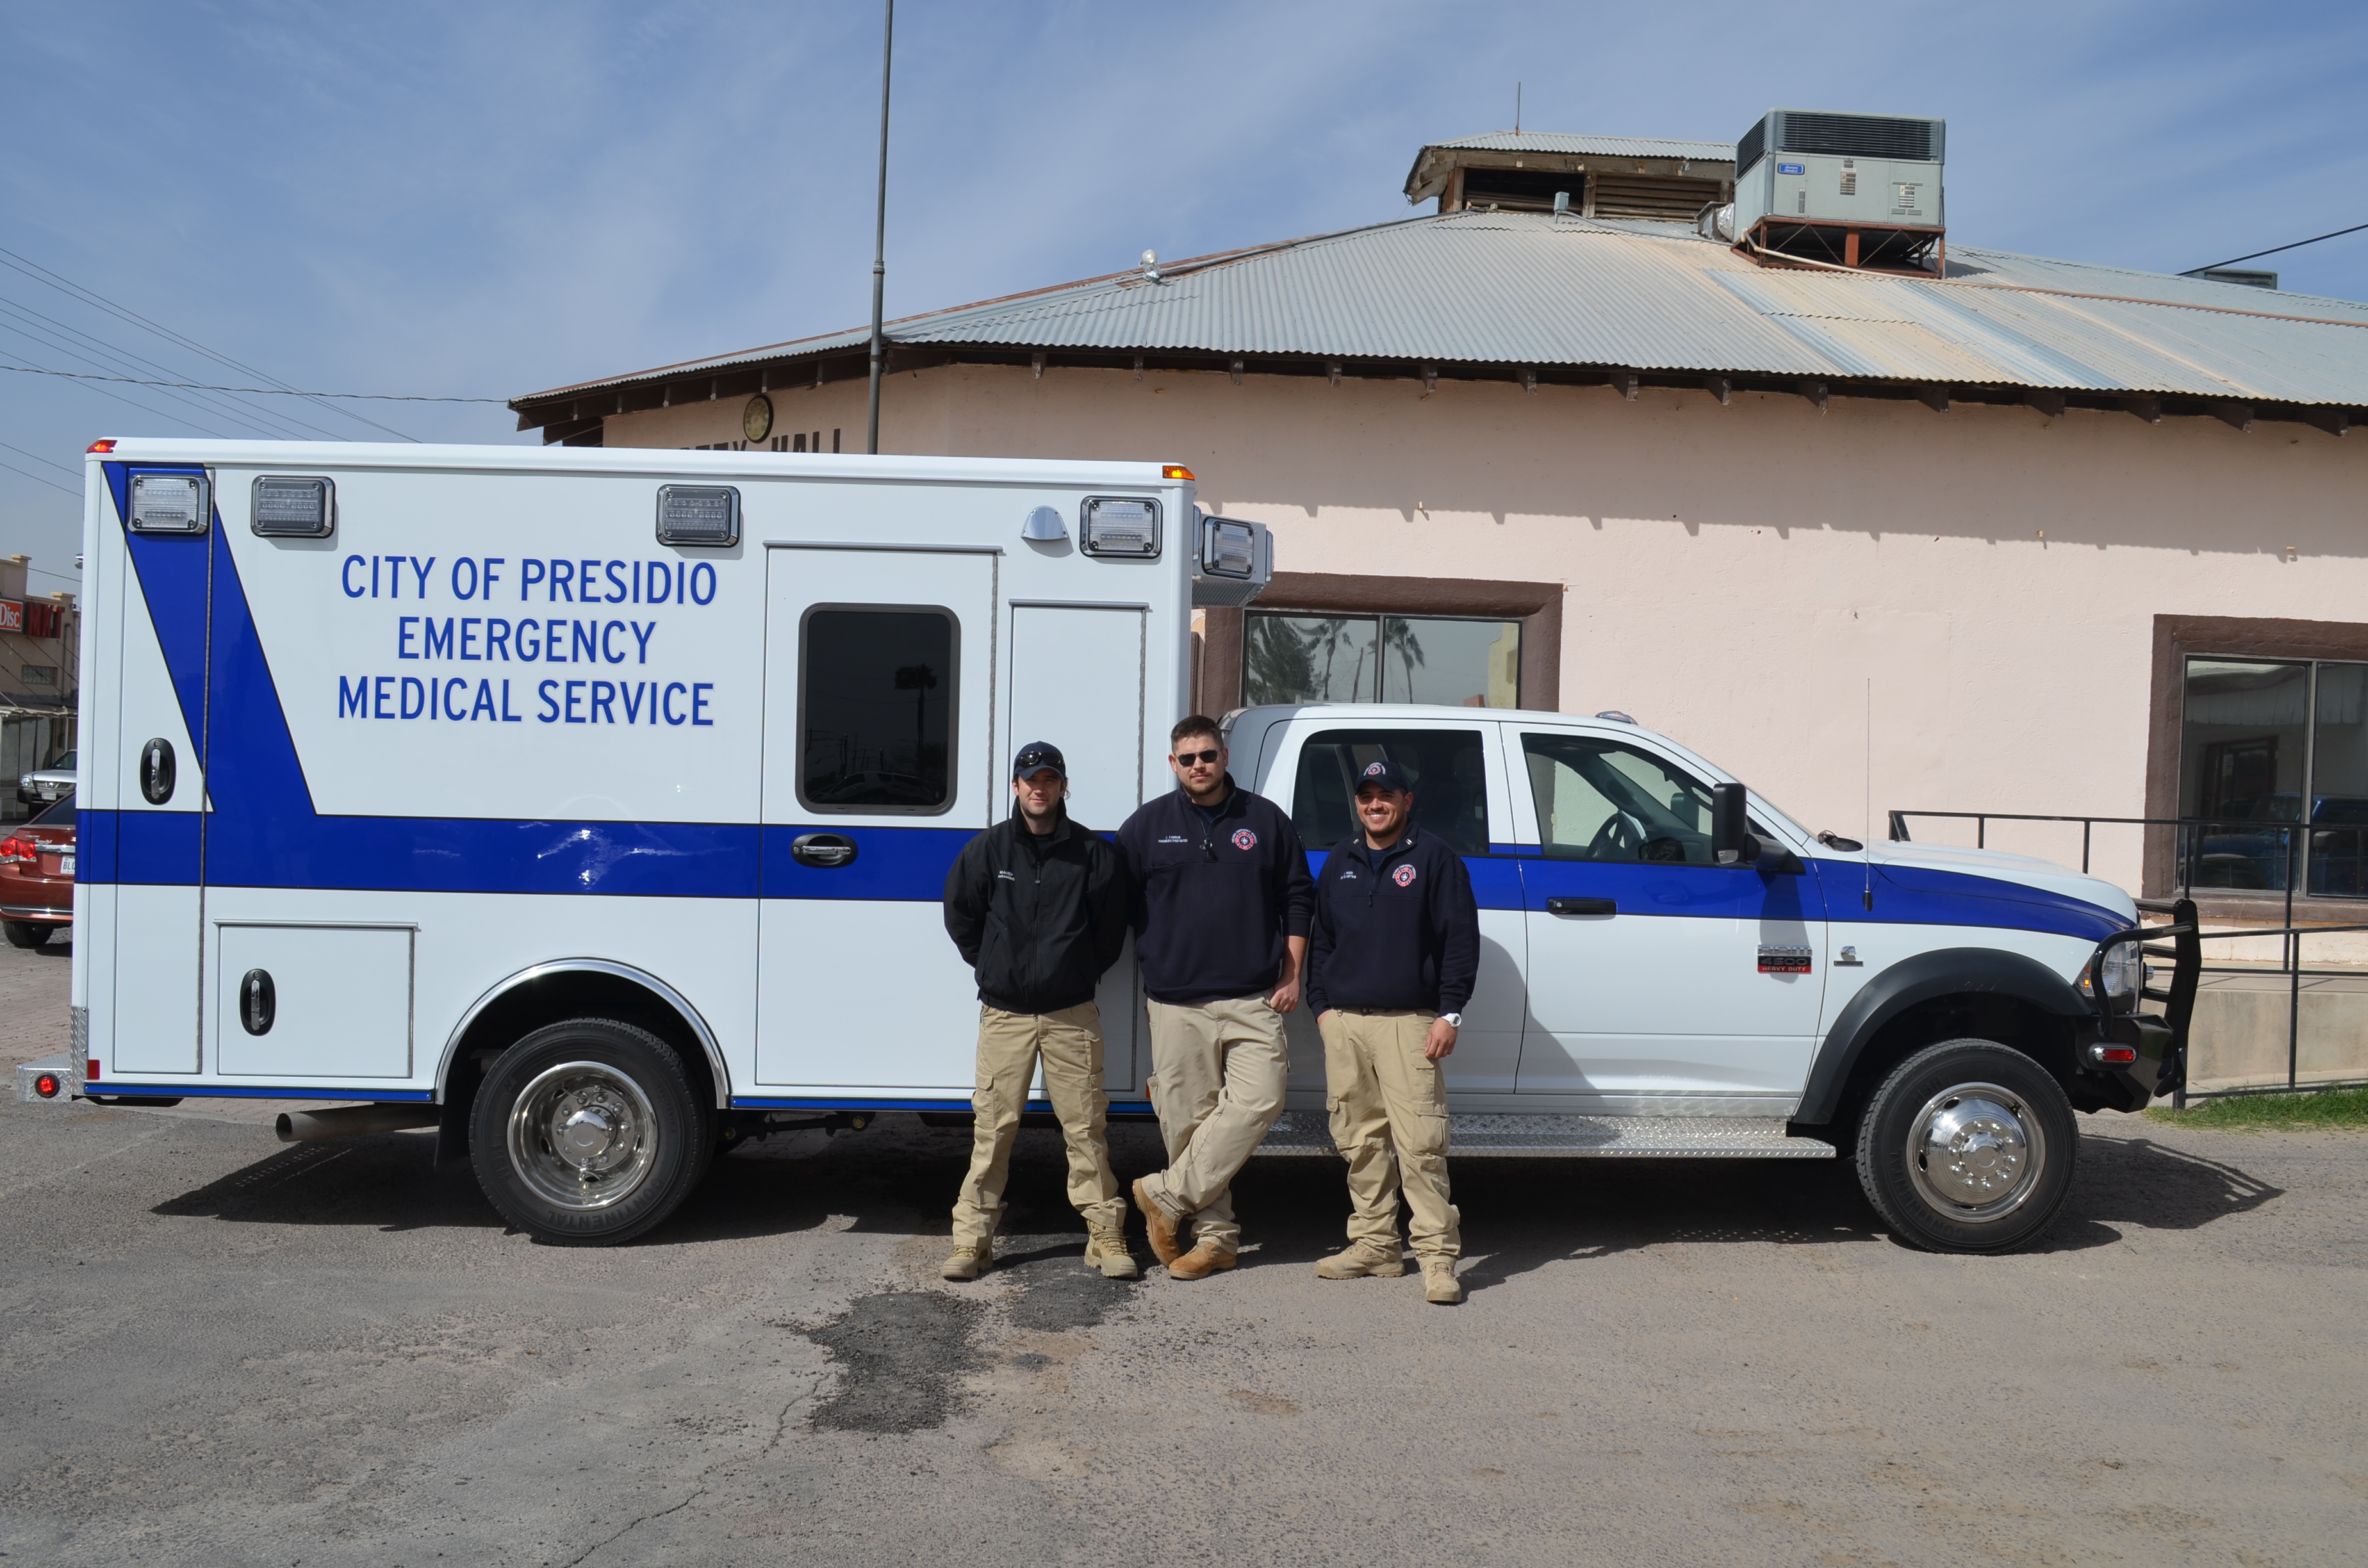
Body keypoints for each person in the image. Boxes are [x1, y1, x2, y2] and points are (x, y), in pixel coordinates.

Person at [1115, 715, 1315, 1280]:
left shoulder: (1266, 821)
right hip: (1176, 1002)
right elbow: (1119, 906)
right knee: (1187, 1123)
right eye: (1187, 759)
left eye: (1207, 756)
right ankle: (1217, 1239)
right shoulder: (1146, 827)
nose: (1198, 766)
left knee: (1262, 1100)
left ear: (1224, 757)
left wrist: (1292, 972)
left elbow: (1297, 897)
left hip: (1254, 996)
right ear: (1172, 764)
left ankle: (1165, 1195)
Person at [940, 741, 1135, 1282]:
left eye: (1049, 779)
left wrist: (1074, 972)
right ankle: (971, 1243)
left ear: (1063, 786)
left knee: (1086, 1128)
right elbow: (961, 915)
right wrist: (993, 967)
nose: (1039, 788)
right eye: (1030, 779)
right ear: (1016, 786)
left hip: (1072, 1014)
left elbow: (1109, 932)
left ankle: (1104, 1234)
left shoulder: (1094, 855)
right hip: (1005, 1015)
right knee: (994, 1130)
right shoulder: (990, 851)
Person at [1305, 756, 1479, 1305]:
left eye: (1386, 795)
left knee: (1421, 1146)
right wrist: (1323, 1011)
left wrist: (1450, 1013)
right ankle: (1376, 1245)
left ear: (1406, 801)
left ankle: (1436, 1260)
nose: (1374, 804)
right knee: (1359, 1141)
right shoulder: (1340, 860)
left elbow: (1459, 942)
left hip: (1411, 1025)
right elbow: (1322, 941)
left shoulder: (1435, 860)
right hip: (1347, 1024)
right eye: (1366, 796)